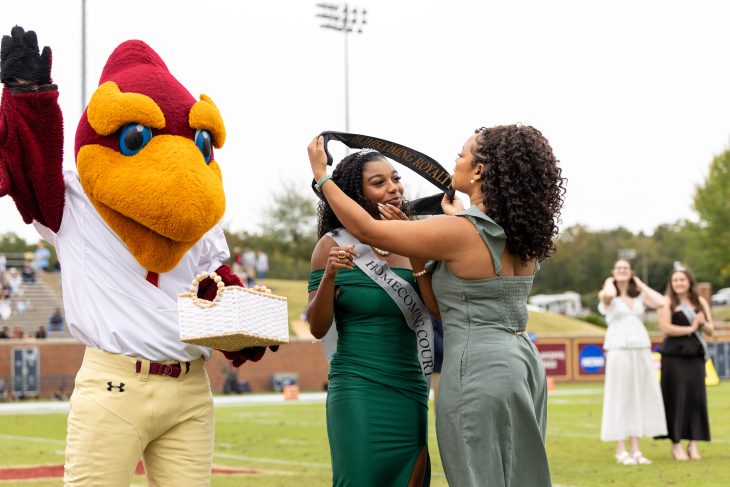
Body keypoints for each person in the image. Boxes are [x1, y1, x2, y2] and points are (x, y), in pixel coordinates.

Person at [308, 124, 564, 486]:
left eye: (462, 154)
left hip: (476, 366)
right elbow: (445, 307)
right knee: (521, 474)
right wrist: (428, 253)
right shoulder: (517, 230)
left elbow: (367, 229)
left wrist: (322, 177)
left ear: (479, 170)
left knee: (476, 475)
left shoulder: (459, 231)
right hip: (522, 361)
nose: (455, 161)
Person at [306, 149, 432, 486]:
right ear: (355, 194)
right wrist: (330, 276)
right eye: (379, 183)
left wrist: (418, 252)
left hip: (410, 387)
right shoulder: (331, 246)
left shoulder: (417, 241)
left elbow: (434, 311)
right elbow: (318, 327)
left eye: (396, 179)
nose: (393, 188)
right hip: (357, 386)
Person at [598, 259, 668, 465]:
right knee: (620, 396)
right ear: (613, 272)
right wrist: (611, 280)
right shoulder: (607, 294)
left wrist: (639, 283)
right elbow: (609, 295)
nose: (622, 271)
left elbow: (661, 302)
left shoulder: (638, 295)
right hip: (619, 348)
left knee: (638, 395)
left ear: (631, 273)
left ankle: (636, 449)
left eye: (626, 269)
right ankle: (621, 450)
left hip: (640, 348)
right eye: (618, 268)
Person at [657, 265, 713, 460]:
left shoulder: (700, 302)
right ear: (671, 284)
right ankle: (676, 444)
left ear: (689, 281)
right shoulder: (666, 302)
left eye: (682, 279)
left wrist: (702, 324)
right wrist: (691, 328)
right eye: (675, 280)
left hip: (695, 357)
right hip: (674, 357)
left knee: (695, 399)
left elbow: (710, 330)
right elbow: (665, 328)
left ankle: (693, 444)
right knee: (676, 398)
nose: (679, 283)